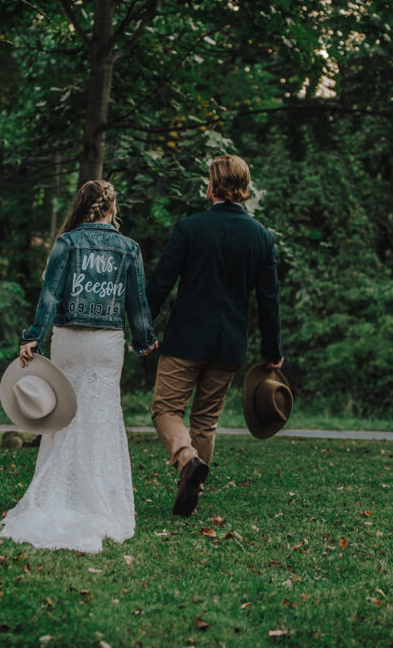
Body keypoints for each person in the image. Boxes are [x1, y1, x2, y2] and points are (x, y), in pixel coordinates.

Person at [0, 180, 158, 553]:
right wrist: (144, 339)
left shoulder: (66, 243)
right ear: (111, 209)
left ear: (82, 207)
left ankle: (59, 492)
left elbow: (50, 294)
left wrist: (32, 336)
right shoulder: (129, 248)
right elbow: (137, 303)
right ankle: (101, 499)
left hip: (69, 339)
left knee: (64, 415)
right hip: (106, 344)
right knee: (102, 414)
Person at [146, 155, 284, 517]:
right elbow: (269, 301)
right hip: (228, 346)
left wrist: (143, 326)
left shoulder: (190, 228)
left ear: (212, 186)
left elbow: (161, 283)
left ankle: (187, 458)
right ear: (245, 187)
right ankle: (190, 493)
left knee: (165, 409)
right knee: (205, 420)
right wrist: (273, 351)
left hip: (186, 341)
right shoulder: (262, 237)